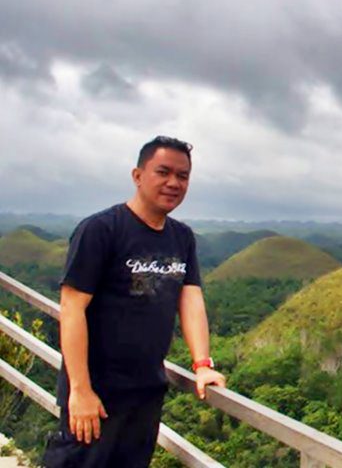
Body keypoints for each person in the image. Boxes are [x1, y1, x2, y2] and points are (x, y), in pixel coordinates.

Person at [43, 136, 226, 468]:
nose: (174, 183)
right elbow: (72, 309)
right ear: (138, 175)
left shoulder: (181, 237)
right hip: (97, 394)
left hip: (146, 393)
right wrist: (80, 391)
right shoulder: (101, 230)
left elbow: (190, 297)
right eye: (163, 172)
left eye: (183, 176)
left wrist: (202, 365)